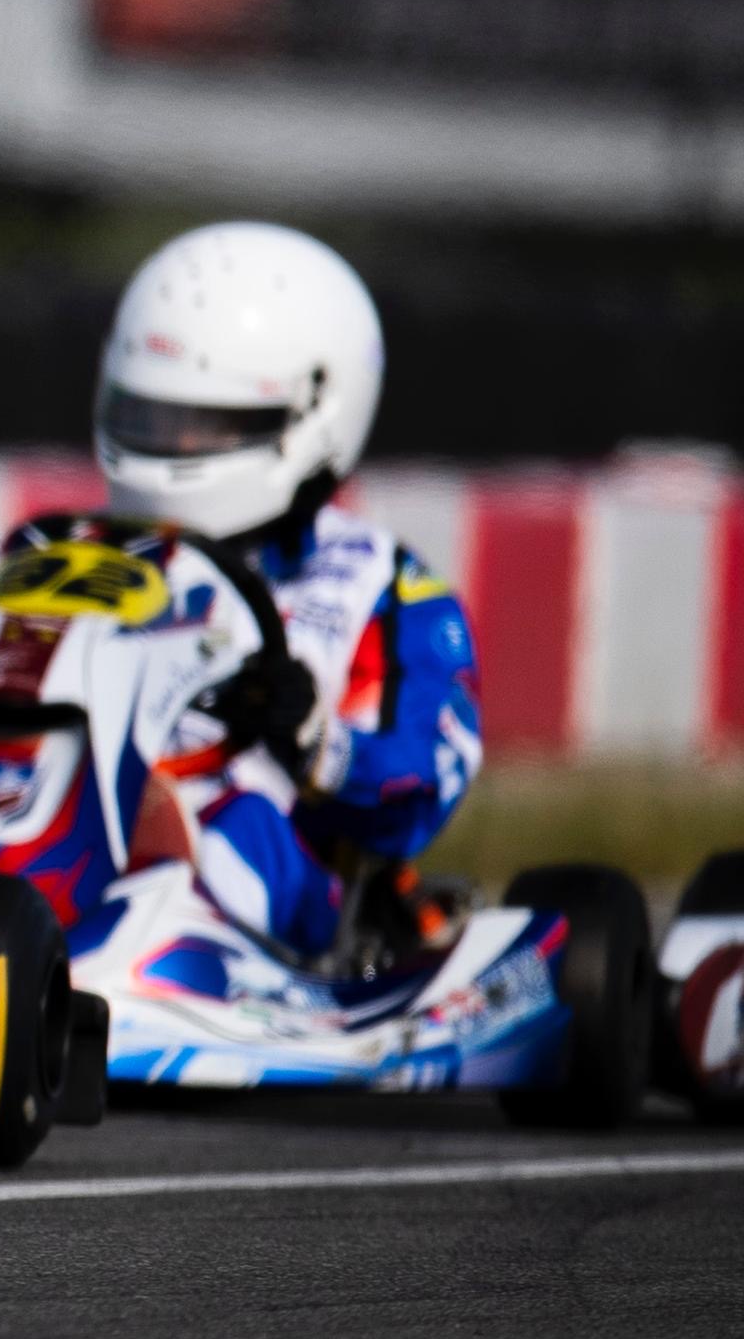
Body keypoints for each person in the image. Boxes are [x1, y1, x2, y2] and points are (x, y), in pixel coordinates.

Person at [64, 220, 479, 957]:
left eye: (205, 424)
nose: (173, 443)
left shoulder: (378, 587)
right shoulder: (70, 556)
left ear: (311, 416)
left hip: (273, 875)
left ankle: (137, 932)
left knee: (242, 819)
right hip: (68, 809)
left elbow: (425, 783)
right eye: (149, 416)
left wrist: (319, 744)